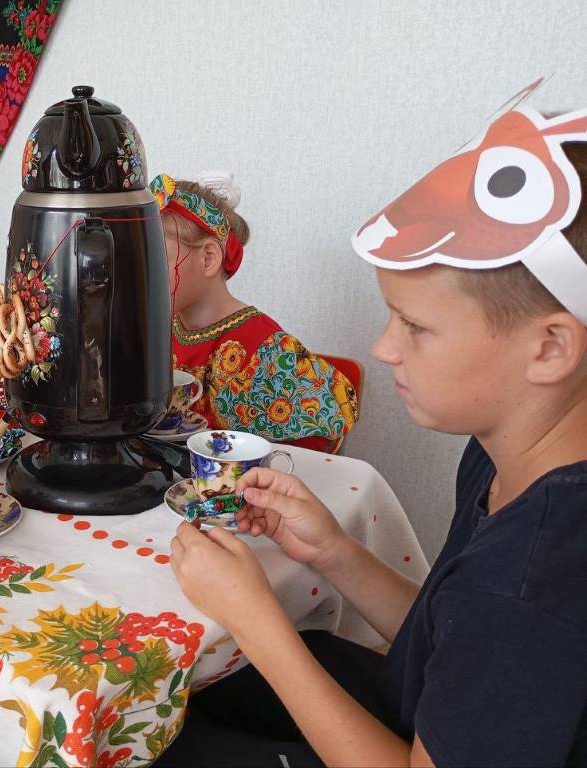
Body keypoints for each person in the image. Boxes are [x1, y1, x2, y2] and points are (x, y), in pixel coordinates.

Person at [163, 96, 587, 766]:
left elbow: (493, 625)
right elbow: (452, 640)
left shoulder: (534, 579)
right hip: (412, 708)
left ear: (550, 348)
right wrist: (334, 551)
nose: (383, 349)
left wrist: (257, 622)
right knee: (188, 692)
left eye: (414, 326)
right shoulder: (499, 452)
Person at [151, 171, 358, 449]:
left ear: (208, 258)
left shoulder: (264, 350)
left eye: (154, 257)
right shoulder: (160, 330)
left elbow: (326, 429)